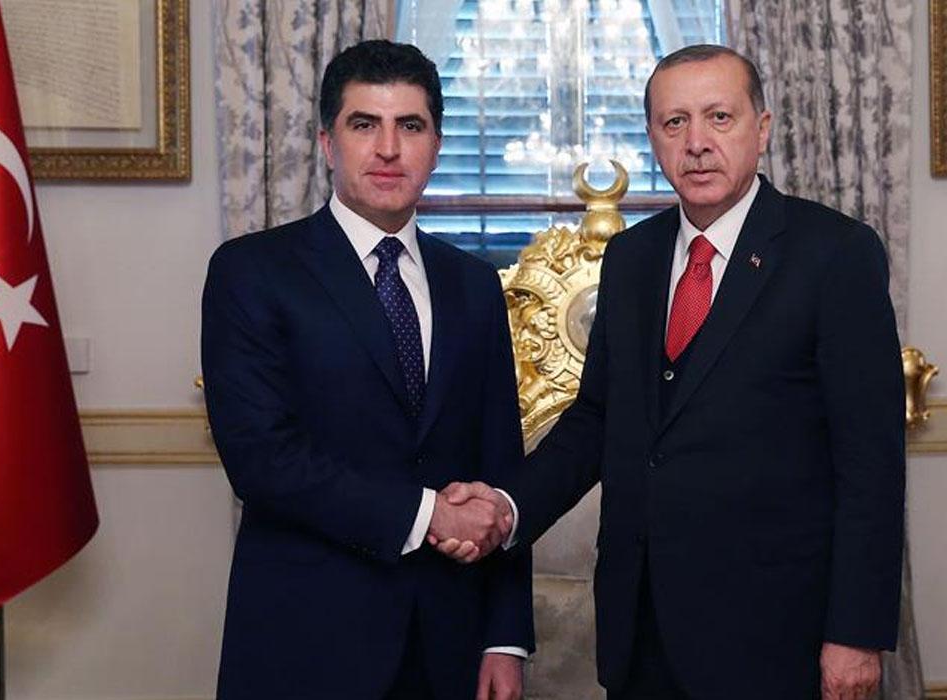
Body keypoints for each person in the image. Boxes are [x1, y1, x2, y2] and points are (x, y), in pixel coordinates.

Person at [439, 45, 905, 699]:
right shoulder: (633, 257)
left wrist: (855, 633)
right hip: (641, 629)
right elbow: (597, 419)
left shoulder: (834, 254)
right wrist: (507, 506)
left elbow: (871, 464)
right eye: (675, 122)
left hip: (778, 635)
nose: (697, 143)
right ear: (653, 136)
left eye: (719, 117)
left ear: (762, 129)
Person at [201, 40, 532, 700]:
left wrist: (505, 636)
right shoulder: (252, 271)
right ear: (328, 143)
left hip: (448, 643)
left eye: (410, 126)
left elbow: (500, 462)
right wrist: (429, 513)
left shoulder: (473, 284)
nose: (388, 149)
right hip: (304, 642)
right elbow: (261, 460)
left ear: (436, 145)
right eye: (364, 125)